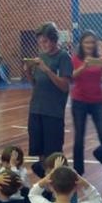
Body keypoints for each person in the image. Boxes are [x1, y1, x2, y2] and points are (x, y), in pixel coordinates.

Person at [24, 22, 73, 176]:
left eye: (45, 41)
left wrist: (47, 70)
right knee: (39, 152)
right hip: (36, 109)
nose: (42, 45)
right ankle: (45, 182)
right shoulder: (41, 57)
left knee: (53, 154)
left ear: (54, 39)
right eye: (40, 42)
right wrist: (28, 72)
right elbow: (36, 85)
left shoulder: (63, 57)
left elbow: (64, 86)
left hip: (53, 112)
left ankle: (57, 182)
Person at [71, 30, 102, 175]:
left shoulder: (100, 58)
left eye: (92, 42)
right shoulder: (76, 59)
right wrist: (83, 66)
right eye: (86, 42)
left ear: (96, 44)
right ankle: (78, 172)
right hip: (79, 102)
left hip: (97, 102)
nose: (89, 45)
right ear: (81, 44)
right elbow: (71, 77)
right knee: (79, 137)